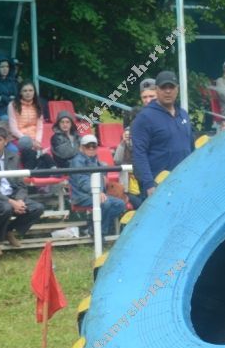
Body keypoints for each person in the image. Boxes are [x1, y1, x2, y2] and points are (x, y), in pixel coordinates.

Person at [0, 126, 44, 265]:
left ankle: (8, 230)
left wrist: (20, 200)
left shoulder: (13, 157)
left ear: (6, 141)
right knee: (5, 208)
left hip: (13, 195)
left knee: (37, 208)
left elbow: (21, 184)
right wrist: (11, 202)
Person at [131, 70, 193, 198]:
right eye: (164, 87)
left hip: (185, 183)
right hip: (158, 186)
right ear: (157, 90)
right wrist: (148, 184)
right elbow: (139, 154)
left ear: (177, 89)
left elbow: (191, 148)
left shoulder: (183, 114)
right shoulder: (144, 118)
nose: (168, 91)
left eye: (171, 87)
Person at [69, 133, 124, 234]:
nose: (91, 148)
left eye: (94, 146)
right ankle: (99, 233)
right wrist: (97, 192)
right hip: (81, 196)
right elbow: (83, 182)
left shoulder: (96, 160)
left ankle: (94, 227)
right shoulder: (77, 161)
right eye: (88, 146)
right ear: (81, 147)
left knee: (120, 204)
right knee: (105, 203)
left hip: (94, 194)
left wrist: (104, 176)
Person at [7, 81, 53, 170]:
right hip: (19, 138)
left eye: (30, 90)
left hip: (35, 138)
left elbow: (40, 126)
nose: (28, 93)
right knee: (29, 150)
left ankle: (52, 171)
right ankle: (31, 173)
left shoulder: (38, 105)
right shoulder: (12, 105)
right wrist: (31, 142)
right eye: (25, 91)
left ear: (34, 92)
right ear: (20, 92)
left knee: (47, 152)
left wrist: (37, 141)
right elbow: (13, 129)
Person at [112, 126, 142, 209]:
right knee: (140, 205)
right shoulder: (122, 147)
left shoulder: (140, 147)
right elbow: (117, 161)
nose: (129, 138)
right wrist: (123, 143)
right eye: (126, 135)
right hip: (128, 190)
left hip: (141, 185)